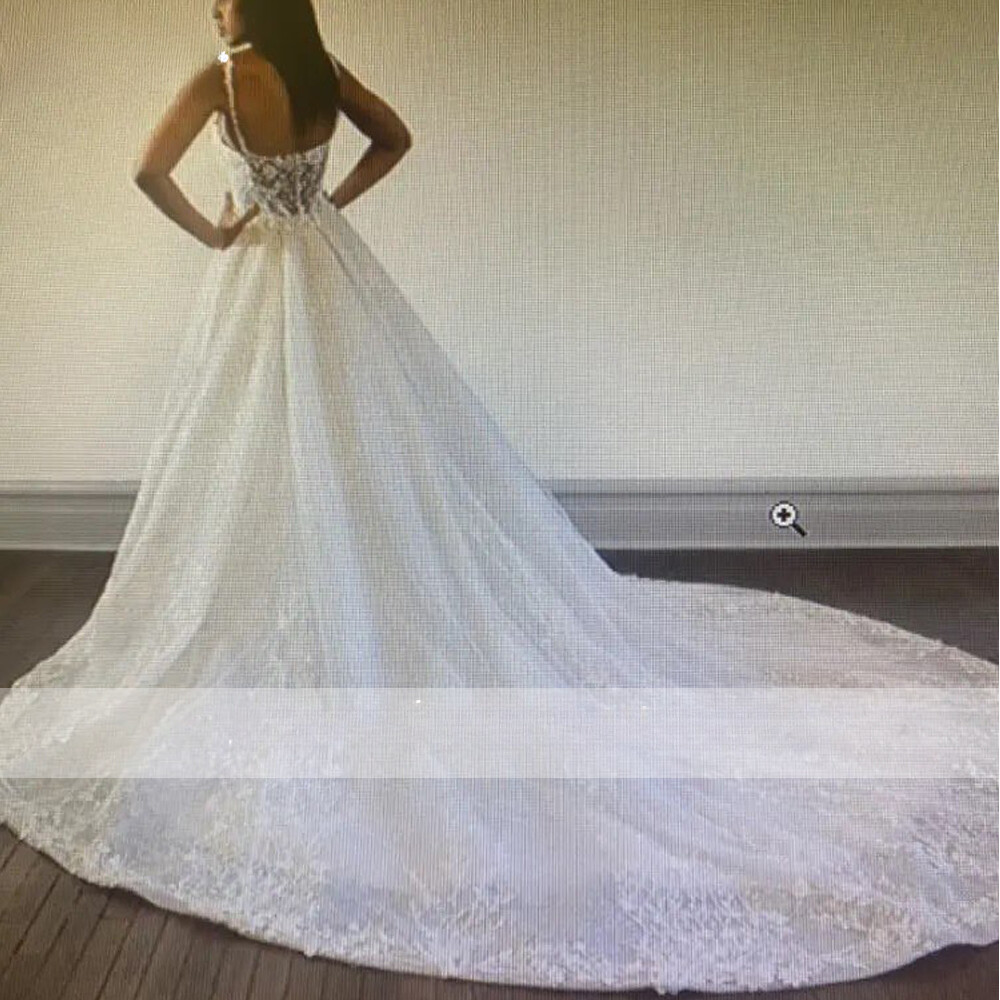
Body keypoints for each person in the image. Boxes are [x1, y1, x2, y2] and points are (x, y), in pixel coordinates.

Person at [0, 1, 995, 994]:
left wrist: (220, 232)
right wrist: (327, 197)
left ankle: (311, 612)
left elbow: (148, 170)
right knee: (371, 450)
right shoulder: (317, 72)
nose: (209, 4)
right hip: (331, 266)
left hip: (261, 276)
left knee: (259, 452)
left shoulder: (222, 78)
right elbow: (395, 138)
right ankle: (360, 602)